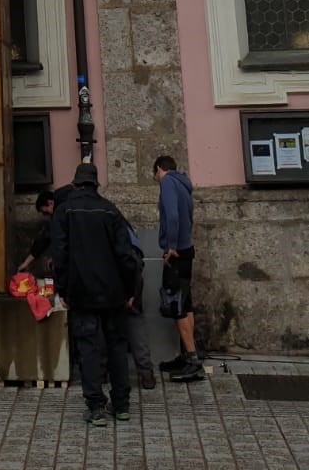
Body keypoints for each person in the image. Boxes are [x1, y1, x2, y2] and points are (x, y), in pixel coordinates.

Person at [51, 162, 140, 426]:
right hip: (113, 292)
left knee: (88, 349)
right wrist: (130, 289)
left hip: (81, 292)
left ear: (75, 184)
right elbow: (126, 255)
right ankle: (121, 405)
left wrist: (62, 288)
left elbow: (60, 255)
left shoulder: (64, 211)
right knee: (117, 347)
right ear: (96, 184)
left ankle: (96, 407)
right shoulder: (110, 210)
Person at [153, 154, 203, 383]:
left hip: (177, 252)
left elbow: (172, 216)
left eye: (155, 175)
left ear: (158, 169)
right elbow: (187, 217)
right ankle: (188, 354)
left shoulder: (167, 182)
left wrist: (171, 246)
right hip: (187, 249)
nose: (156, 179)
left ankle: (192, 360)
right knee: (186, 303)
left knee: (176, 305)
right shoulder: (184, 184)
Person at [123, 223, 156, 389]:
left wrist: (131, 294)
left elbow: (133, 262)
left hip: (122, 281)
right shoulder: (118, 222)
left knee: (131, 322)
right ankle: (146, 373)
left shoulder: (106, 226)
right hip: (129, 277)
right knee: (134, 323)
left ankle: (101, 373)